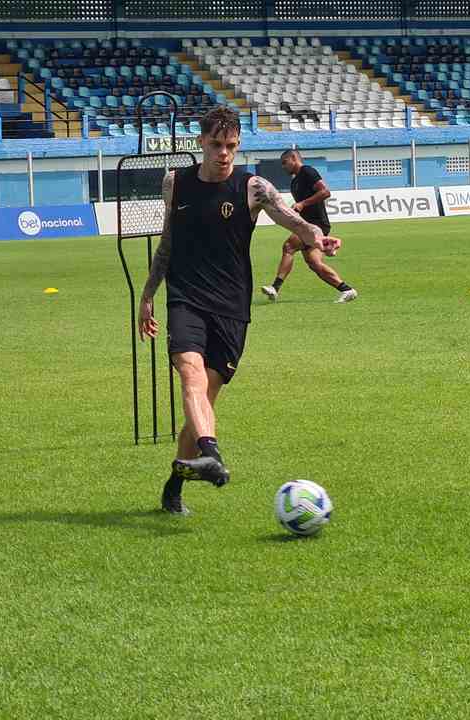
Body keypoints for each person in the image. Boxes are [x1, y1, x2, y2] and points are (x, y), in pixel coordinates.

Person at [138, 106, 330, 516]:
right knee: (189, 375)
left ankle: (175, 484)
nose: (224, 153)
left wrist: (319, 237)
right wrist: (149, 292)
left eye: (231, 146)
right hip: (185, 297)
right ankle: (212, 453)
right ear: (200, 143)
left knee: (203, 402)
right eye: (215, 145)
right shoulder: (175, 184)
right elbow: (169, 241)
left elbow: (294, 221)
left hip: (231, 306)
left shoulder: (253, 188)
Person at [260, 149, 357, 304]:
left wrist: (302, 204)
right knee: (314, 263)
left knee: (289, 246)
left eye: (285, 163)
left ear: (293, 158)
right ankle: (347, 290)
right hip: (308, 225)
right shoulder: (294, 182)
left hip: (316, 224)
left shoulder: (307, 171)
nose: (283, 167)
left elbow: (325, 192)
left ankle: (275, 288)